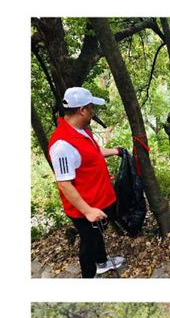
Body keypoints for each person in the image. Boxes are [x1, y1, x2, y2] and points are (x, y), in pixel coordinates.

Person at [47, 87, 126, 279]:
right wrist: (88, 211)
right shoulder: (62, 145)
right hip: (84, 209)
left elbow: (93, 153)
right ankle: (89, 277)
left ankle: (102, 262)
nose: (93, 112)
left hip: (99, 200)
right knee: (89, 244)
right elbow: (64, 184)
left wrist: (115, 151)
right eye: (91, 108)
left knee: (97, 236)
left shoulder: (81, 131)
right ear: (82, 110)